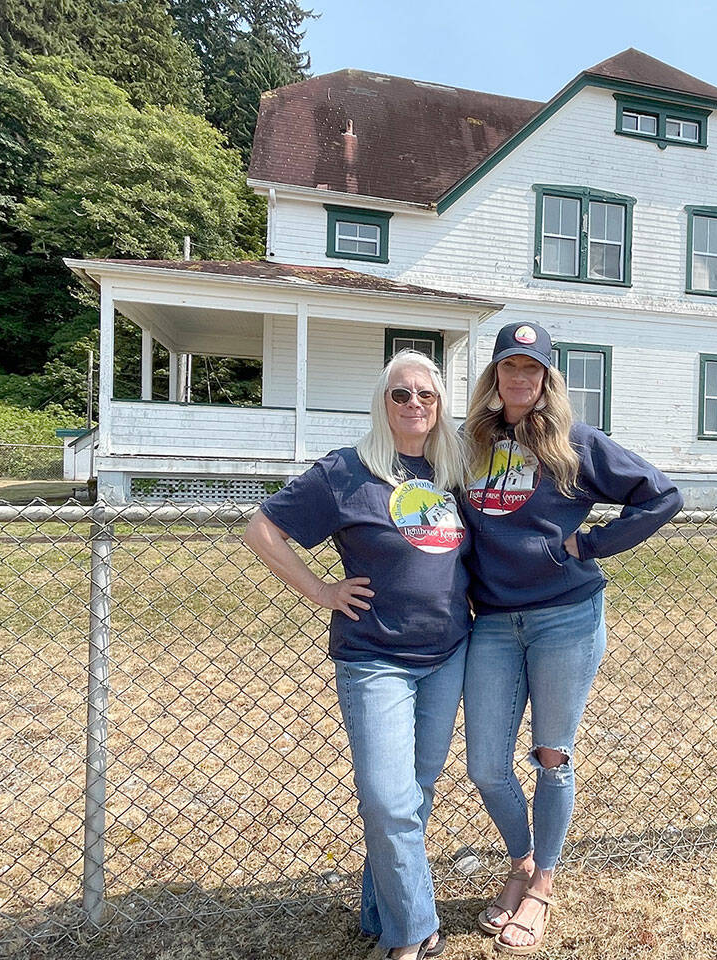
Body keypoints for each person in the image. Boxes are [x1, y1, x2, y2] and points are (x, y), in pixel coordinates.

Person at [461, 321, 683, 955]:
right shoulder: (471, 444)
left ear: (547, 378)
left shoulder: (575, 442)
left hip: (566, 617)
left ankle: (541, 885)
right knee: (485, 765)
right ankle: (523, 858)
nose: (520, 379)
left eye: (533, 369)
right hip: (495, 622)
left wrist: (588, 542)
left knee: (552, 755)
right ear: (495, 375)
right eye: (510, 367)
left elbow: (661, 496)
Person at [243, 349, 469, 960]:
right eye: (402, 394)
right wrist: (320, 590)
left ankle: (379, 912)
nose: (415, 404)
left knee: (411, 797)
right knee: (388, 799)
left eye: (426, 393)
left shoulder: (453, 469)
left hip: (448, 653)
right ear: (383, 401)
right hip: (375, 658)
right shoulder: (346, 471)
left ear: (440, 402)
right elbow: (262, 529)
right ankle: (415, 932)